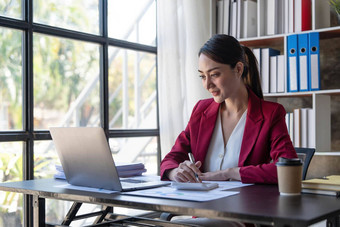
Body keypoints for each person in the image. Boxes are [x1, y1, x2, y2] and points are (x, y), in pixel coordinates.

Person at [160, 34, 297, 185]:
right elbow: (171, 159)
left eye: (214, 74)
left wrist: (230, 173)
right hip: (201, 203)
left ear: (238, 69)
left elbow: (288, 168)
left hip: (245, 205)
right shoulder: (201, 110)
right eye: (202, 77)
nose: (207, 85)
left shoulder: (270, 113)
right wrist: (176, 172)